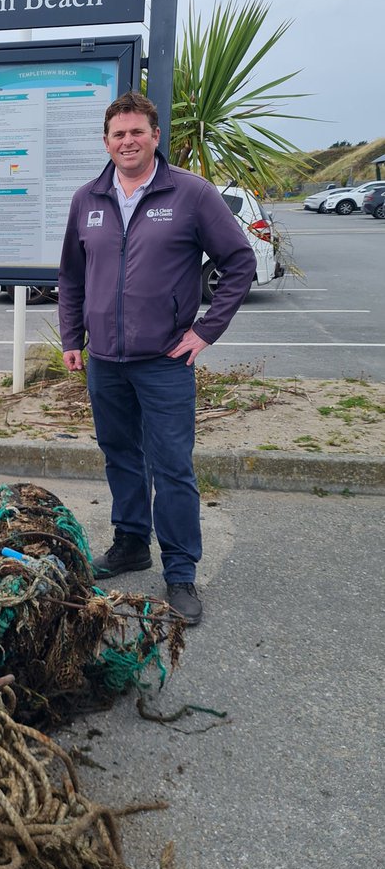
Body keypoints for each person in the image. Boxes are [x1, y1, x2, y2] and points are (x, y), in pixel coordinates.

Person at [58, 92, 256, 624]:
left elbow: (239, 261)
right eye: (118, 134)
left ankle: (181, 571)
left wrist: (205, 331)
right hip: (105, 359)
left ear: (155, 136)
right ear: (106, 141)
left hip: (166, 360)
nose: (128, 141)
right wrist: (71, 338)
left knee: (171, 466)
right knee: (120, 454)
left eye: (137, 132)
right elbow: (72, 276)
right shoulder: (87, 200)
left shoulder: (190, 194)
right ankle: (129, 544)